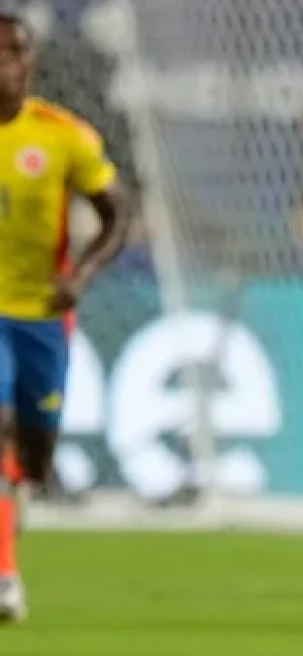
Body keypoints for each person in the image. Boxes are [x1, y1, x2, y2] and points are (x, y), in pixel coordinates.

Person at [0, 12, 132, 623]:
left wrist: (80, 276)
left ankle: (18, 496)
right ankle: (5, 577)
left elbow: (116, 212)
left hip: (43, 318)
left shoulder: (62, 135)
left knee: (35, 454)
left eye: (15, 53)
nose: (6, 65)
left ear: (30, 62)